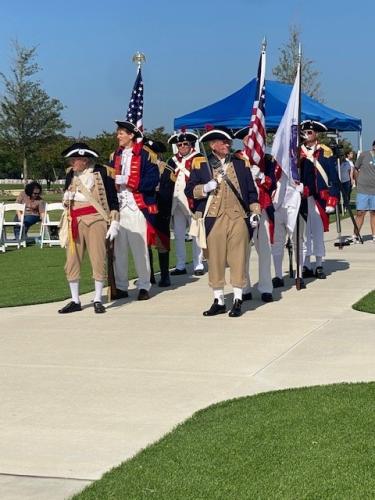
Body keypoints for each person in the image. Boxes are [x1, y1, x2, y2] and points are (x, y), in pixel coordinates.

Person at [185, 127, 260, 318]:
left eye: (228, 142)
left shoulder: (240, 163)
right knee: (215, 259)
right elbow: (190, 190)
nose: (228, 144)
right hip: (213, 218)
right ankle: (218, 300)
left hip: (238, 217)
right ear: (213, 145)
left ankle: (237, 299)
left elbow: (251, 192)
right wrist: (205, 188)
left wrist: (255, 212)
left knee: (238, 259)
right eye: (224, 142)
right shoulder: (201, 164)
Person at [58, 142, 120, 314]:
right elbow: (66, 195)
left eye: (75, 160)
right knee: (72, 260)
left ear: (84, 160)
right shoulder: (71, 174)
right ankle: (75, 300)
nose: (72, 163)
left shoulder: (102, 172)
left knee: (98, 259)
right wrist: (67, 197)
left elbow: (113, 199)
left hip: (96, 220)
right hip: (74, 221)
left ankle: (98, 298)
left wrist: (114, 222)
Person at [111, 121, 160, 300]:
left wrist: (131, 181)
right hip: (119, 208)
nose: (118, 136)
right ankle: (122, 286)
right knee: (119, 249)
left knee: (140, 248)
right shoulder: (114, 155)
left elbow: (153, 180)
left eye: (121, 133)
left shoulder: (147, 155)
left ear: (131, 135)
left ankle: (144, 285)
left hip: (137, 207)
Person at [234, 128, 275, 302]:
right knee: (242, 251)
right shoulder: (235, 159)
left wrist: (261, 177)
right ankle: (244, 287)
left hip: (262, 207)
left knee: (264, 250)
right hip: (242, 209)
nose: (250, 141)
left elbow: (272, 184)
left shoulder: (266, 160)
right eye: (247, 138)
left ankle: (266, 287)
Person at [299, 120, 339, 279]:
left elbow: (333, 179)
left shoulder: (325, 152)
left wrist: (333, 199)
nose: (306, 135)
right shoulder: (297, 152)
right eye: (304, 133)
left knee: (317, 233)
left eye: (309, 132)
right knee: (304, 233)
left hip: (320, 198)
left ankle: (319, 264)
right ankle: (306, 264)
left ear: (316, 134)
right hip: (303, 197)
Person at [166, 130, 205, 276]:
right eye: (179, 144)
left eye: (185, 144)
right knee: (179, 234)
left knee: (195, 234)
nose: (182, 147)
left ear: (191, 145)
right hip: (176, 203)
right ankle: (180, 265)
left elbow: (202, 178)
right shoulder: (172, 160)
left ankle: (198, 263)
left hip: (191, 201)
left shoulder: (198, 158)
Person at [143, 137, 171, 287]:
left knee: (162, 243)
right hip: (144, 210)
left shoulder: (166, 169)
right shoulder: (143, 168)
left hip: (160, 210)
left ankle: (165, 275)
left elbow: (167, 193)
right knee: (145, 243)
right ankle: (149, 274)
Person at [347, 141, 375, 244]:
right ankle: (355, 235)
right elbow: (356, 168)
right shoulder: (364, 155)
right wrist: (358, 181)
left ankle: (374, 236)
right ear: (373, 146)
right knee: (360, 213)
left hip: (374, 190)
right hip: (363, 189)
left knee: (373, 212)